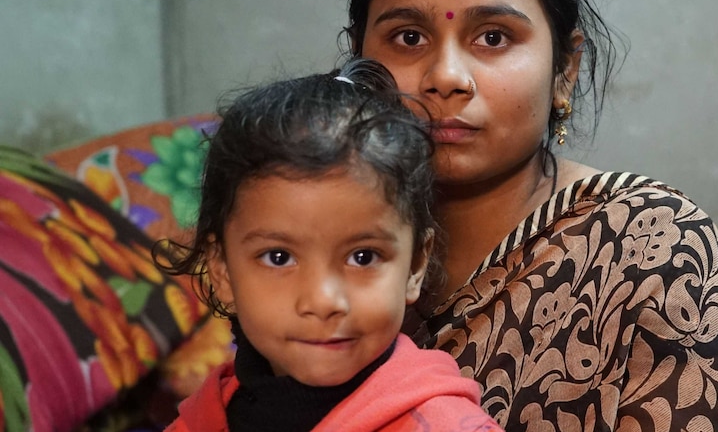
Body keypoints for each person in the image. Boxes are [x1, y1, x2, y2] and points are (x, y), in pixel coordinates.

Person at [343, 0, 718, 432]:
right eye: (409, 38)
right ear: (358, 60)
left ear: (565, 69)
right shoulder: (317, 240)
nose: (445, 77)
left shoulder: (649, 247)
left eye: (493, 37)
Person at [155, 58, 503, 432]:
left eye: (363, 257)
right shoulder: (198, 421)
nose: (323, 302)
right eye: (279, 257)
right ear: (221, 270)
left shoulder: (444, 425)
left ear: (415, 265)